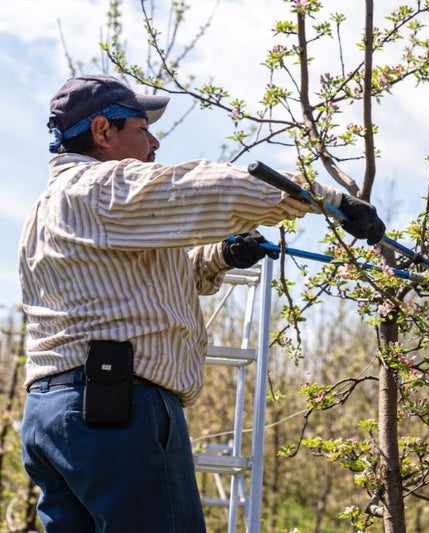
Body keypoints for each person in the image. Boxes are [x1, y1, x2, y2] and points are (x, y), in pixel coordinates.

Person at [18, 74, 385, 533]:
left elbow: (131, 292)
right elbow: (204, 188)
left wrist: (219, 256)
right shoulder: (103, 187)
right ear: (101, 132)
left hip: (51, 418)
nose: (153, 143)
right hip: (117, 412)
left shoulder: (47, 208)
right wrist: (328, 199)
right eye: (140, 127)